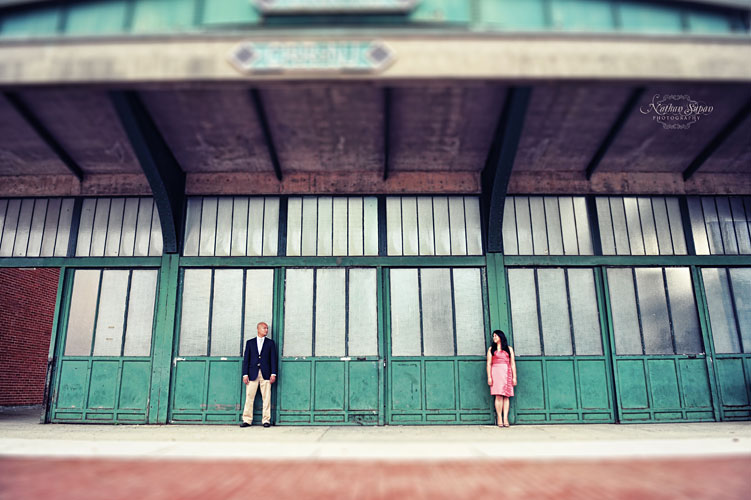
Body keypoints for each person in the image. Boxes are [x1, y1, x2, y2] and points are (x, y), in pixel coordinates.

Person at [240, 321, 277, 428]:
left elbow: (273, 359)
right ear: (258, 329)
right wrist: (245, 374)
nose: (266, 330)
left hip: (266, 373)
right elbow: (246, 359)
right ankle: (247, 420)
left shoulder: (270, 343)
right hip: (252, 373)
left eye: (267, 328)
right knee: (249, 397)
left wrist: (273, 373)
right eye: (264, 328)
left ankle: (266, 420)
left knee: (266, 397)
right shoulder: (250, 343)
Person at [487, 329, 517, 428]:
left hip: (506, 372)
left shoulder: (509, 349)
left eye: (496, 336)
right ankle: (499, 417)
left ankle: (505, 418)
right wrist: (489, 377)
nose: (494, 337)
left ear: (501, 337)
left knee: (506, 396)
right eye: (493, 336)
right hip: (496, 372)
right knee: (498, 396)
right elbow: (489, 364)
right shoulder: (491, 349)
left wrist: (514, 377)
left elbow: (512, 363)